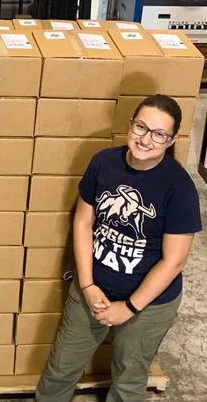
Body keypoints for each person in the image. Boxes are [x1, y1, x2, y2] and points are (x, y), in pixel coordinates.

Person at [36, 94, 201, 402]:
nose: (146, 139)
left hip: (148, 304)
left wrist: (129, 307)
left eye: (159, 134)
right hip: (93, 290)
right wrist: (87, 285)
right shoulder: (104, 163)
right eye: (141, 127)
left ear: (170, 140)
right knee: (60, 369)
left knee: (128, 381)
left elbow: (174, 262)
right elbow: (83, 222)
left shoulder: (179, 187)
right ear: (131, 124)